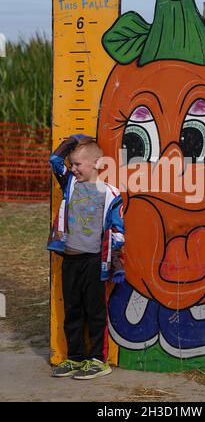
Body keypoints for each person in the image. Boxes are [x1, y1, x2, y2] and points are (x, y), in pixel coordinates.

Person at [47, 134, 125, 380]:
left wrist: (117, 262)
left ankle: (97, 361)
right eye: (72, 164)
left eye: (78, 164)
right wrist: (71, 142)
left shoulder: (111, 193)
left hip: (94, 262)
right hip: (70, 258)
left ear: (96, 163)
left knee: (94, 312)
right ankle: (75, 358)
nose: (73, 168)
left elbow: (117, 231)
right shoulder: (70, 183)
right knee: (72, 309)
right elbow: (54, 160)